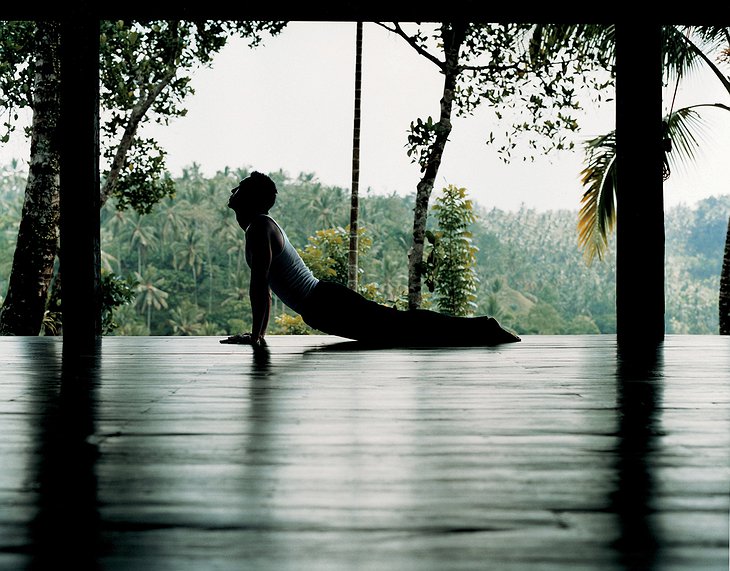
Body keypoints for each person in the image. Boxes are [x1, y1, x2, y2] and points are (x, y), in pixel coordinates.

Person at [220, 171, 520, 348]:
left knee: (403, 329)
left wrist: (257, 336)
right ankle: (482, 329)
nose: (234, 191)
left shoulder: (259, 227)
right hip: (323, 304)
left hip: (325, 304)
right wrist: (257, 334)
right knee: (401, 329)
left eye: (241, 188)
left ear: (252, 200)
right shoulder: (259, 226)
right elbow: (264, 287)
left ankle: (484, 328)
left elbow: (260, 286)